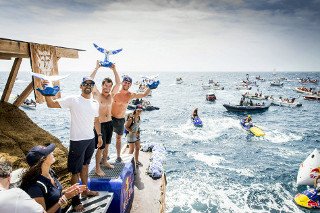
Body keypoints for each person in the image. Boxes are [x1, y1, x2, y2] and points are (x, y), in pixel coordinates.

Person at [43, 76, 102, 211]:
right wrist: (47, 91)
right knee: (75, 172)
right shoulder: (73, 100)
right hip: (77, 141)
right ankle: (76, 201)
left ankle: (85, 190)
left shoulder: (95, 102)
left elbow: (96, 120)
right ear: (80, 86)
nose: (88, 86)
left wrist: (99, 135)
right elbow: (50, 104)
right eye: (85, 84)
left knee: (85, 166)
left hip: (90, 139)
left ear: (92, 87)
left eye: (90, 84)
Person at [20, 144, 86, 213]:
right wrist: (64, 198)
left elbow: (52, 195)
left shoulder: (50, 172)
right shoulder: (35, 187)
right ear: (43, 161)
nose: (52, 152)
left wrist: (67, 191)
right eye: (49, 152)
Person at [111, 75, 156, 163]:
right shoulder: (115, 93)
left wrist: (150, 87)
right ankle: (104, 157)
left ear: (130, 85)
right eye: (125, 82)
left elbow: (144, 94)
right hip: (111, 118)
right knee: (107, 139)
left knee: (118, 138)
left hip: (120, 119)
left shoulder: (131, 95)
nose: (127, 84)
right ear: (122, 83)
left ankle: (118, 156)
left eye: (129, 83)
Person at [90, 61, 121, 176]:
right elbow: (90, 80)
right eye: (105, 85)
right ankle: (97, 168)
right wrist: (97, 67)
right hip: (100, 124)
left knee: (107, 145)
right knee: (100, 147)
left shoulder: (112, 95)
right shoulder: (97, 95)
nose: (107, 87)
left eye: (109, 86)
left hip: (109, 123)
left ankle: (104, 162)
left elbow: (118, 83)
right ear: (102, 85)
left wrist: (114, 69)